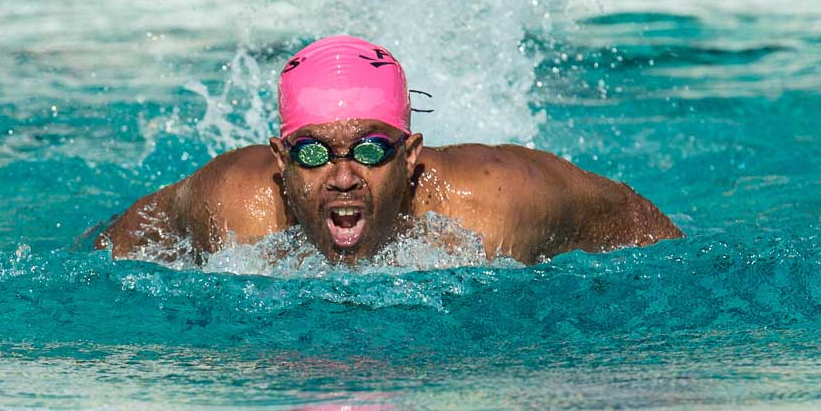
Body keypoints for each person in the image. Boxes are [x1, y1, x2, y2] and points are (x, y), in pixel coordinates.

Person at [97, 35, 682, 265]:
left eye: (371, 151)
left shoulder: (498, 204)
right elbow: (103, 252)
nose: (343, 176)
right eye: (313, 154)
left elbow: (658, 240)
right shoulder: (233, 205)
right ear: (279, 159)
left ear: (411, 156)